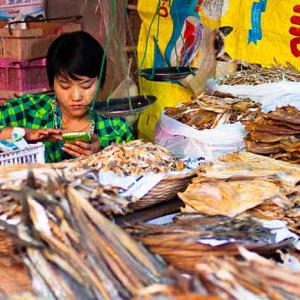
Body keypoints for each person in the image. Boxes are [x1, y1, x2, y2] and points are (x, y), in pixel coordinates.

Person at [0, 31, 133, 162]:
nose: (76, 97)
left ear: (100, 81)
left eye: (86, 86)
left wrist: (102, 156)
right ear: (52, 83)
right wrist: (23, 134)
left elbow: (136, 169)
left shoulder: (116, 129)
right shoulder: (28, 110)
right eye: (65, 86)